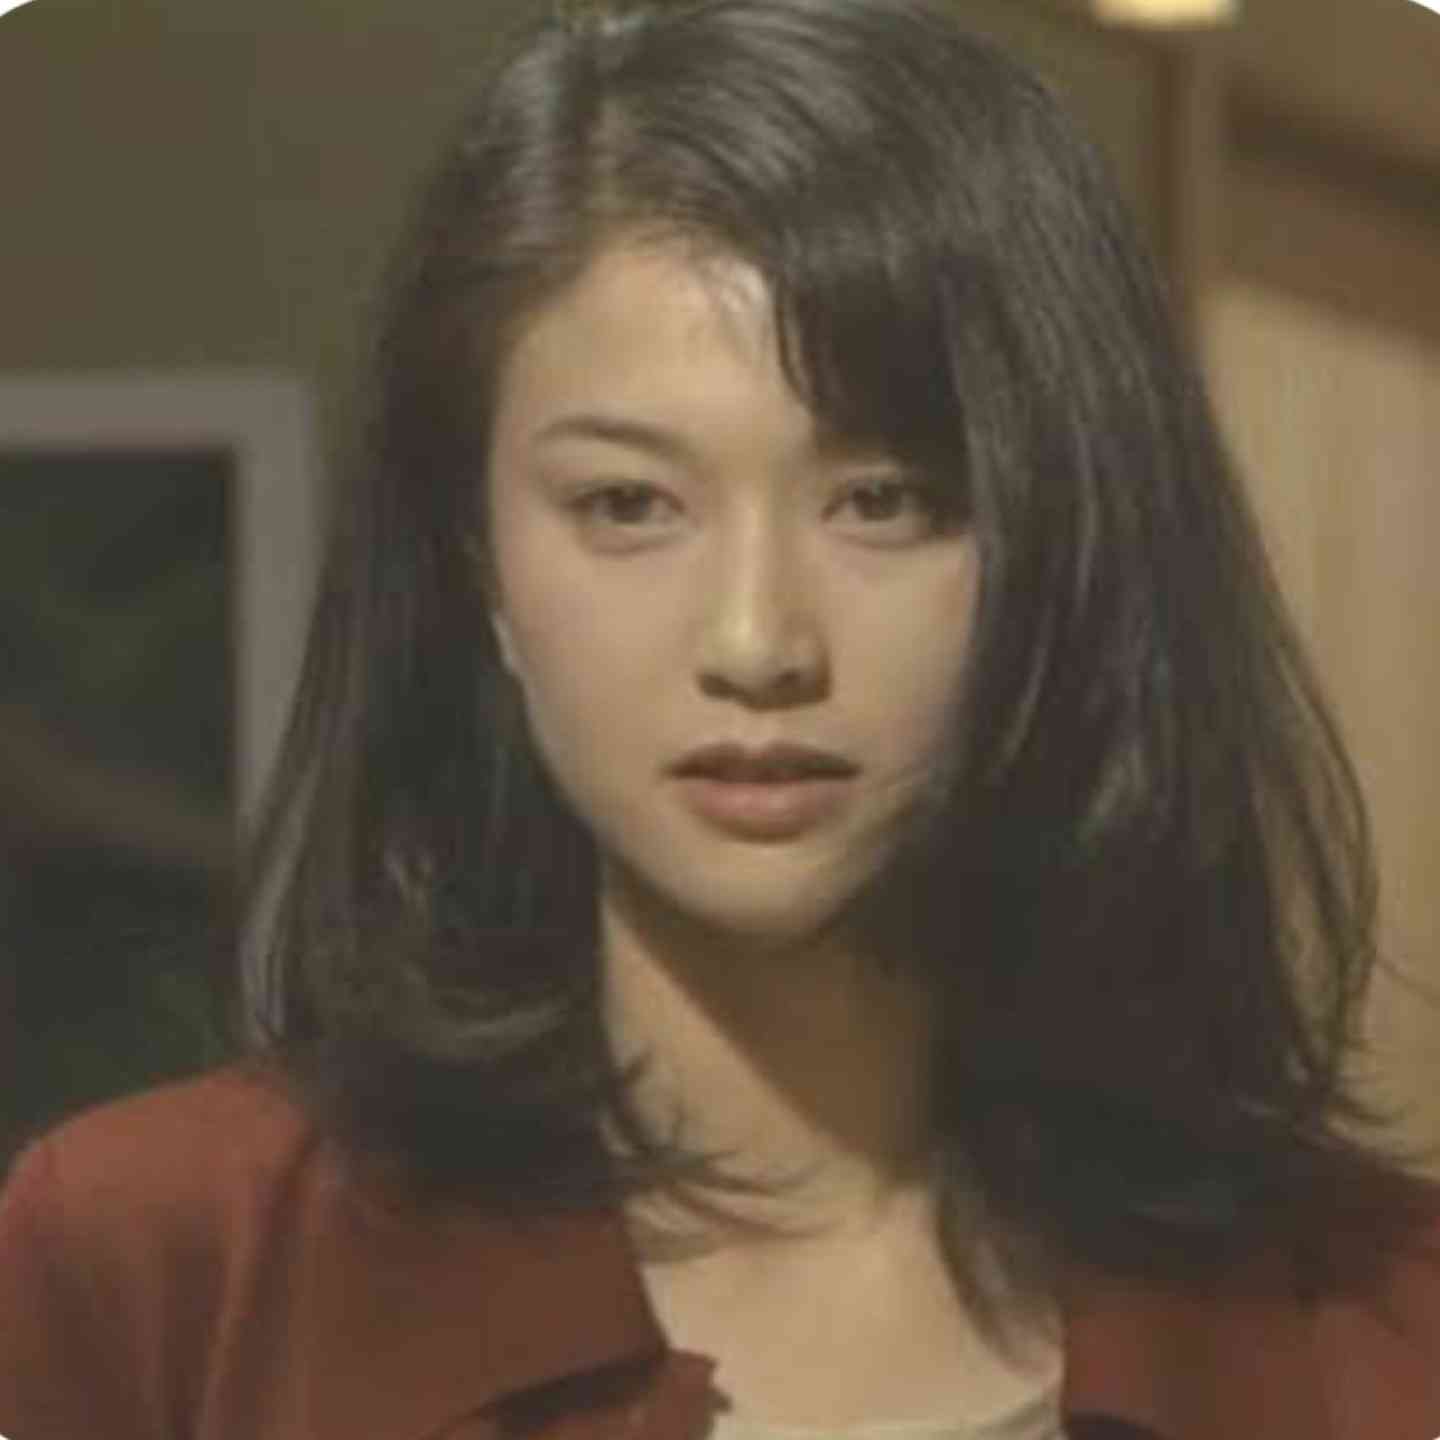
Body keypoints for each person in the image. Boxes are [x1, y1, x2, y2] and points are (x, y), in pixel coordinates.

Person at [3, 1, 1439, 1436]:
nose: (758, 642)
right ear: (479, 569)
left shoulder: (1385, 1330)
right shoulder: (163, 1271)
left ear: (1065, 543)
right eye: (628, 505)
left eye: (882, 501)